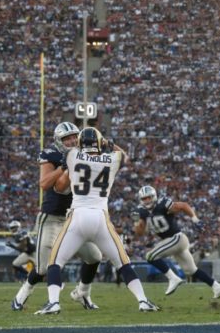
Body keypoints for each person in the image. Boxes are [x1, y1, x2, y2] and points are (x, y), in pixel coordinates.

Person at [35, 128, 158, 314]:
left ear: (80, 143)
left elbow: (58, 183)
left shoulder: (72, 155)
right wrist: (108, 144)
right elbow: (123, 155)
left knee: (55, 262)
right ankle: (142, 301)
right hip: (101, 217)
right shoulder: (111, 159)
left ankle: (53, 303)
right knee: (123, 263)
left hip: (77, 215)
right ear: (100, 143)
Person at [12, 122, 103, 311]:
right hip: (52, 218)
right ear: (58, 141)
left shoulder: (87, 154)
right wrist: (63, 166)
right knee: (43, 268)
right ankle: (21, 297)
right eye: (66, 138)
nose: (71, 141)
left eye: (73, 137)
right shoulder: (51, 154)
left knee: (94, 256)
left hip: (74, 218)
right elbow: (44, 183)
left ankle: (82, 294)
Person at [133, 185, 220, 299]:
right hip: (173, 242)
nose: (147, 200)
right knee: (191, 270)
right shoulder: (140, 211)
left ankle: (173, 278)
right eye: (144, 199)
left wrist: (195, 219)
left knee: (150, 256)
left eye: (149, 197)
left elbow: (183, 206)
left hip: (176, 238)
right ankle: (217, 287)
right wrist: (138, 225)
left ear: (154, 196)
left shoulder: (163, 204)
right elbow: (139, 232)